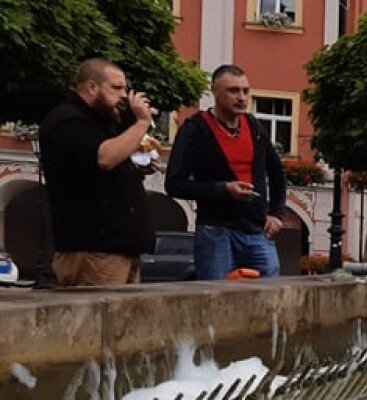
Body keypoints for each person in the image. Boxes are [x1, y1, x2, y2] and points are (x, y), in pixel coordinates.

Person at [38, 59, 156, 286]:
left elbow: (107, 163)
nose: (125, 95)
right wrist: (142, 123)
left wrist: (134, 166)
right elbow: (104, 158)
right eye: (117, 87)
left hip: (119, 249)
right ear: (92, 87)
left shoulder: (103, 122)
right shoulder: (68, 120)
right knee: (102, 320)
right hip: (94, 251)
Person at [165, 64, 286, 280]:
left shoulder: (255, 126)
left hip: (257, 229)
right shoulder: (195, 128)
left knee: (269, 294)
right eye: (233, 91)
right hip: (215, 229)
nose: (241, 97)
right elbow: (174, 184)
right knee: (217, 297)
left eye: (245, 91)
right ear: (214, 91)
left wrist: (276, 214)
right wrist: (222, 189)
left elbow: (277, 173)